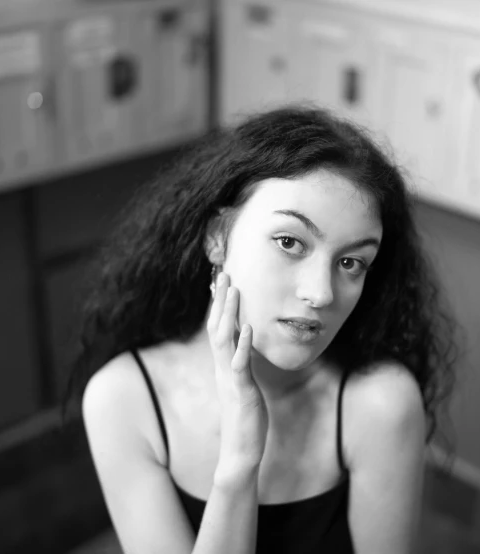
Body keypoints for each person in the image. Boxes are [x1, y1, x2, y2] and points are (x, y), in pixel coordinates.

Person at [68, 106, 458, 554]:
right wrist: (239, 461)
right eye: (290, 242)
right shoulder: (124, 399)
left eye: (351, 262)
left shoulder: (380, 404)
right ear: (217, 236)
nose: (321, 294)